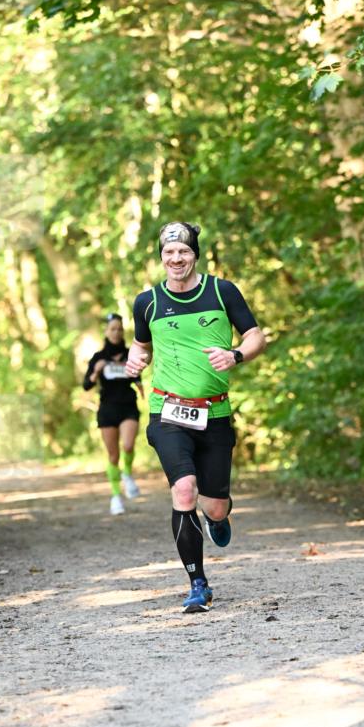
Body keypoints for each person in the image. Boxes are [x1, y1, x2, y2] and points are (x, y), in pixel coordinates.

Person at [125, 221, 266, 612]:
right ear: (160, 258)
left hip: (215, 412)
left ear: (195, 255)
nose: (176, 259)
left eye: (183, 252)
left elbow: (256, 336)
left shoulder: (222, 292)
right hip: (167, 411)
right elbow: (141, 348)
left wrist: (236, 354)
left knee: (214, 506)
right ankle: (197, 583)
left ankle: (218, 517)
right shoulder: (147, 302)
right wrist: (137, 359)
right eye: (169, 253)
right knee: (183, 489)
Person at [83, 312, 144, 515]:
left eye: (119, 329)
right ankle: (116, 496)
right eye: (112, 329)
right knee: (113, 455)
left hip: (128, 407)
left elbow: (137, 377)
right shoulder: (98, 357)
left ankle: (127, 474)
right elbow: (86, 385)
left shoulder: (130, 354)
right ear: (106, 332)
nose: (116, 332)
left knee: (127, 445)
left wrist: (140, 385)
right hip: (108, 409)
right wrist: (95, 372)